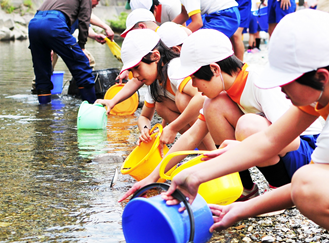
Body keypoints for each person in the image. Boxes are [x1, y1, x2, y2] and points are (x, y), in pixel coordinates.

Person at [161, 9, 329, 231]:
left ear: (321, 77)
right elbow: (270, 139)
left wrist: (245, 208)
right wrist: (194, 176)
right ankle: (248, 190)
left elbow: (304, 184)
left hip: (304, 157)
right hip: (303, 159)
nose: (280, 88)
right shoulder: (313, 99)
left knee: (308, 185)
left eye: (285, 81)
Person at [118, 28, 322, 202]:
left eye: (195, 78)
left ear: (215, 70)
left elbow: (293, 141)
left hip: (307, 155)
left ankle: (279, 187)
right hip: (280, 151)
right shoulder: (220, 96)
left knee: (247, 125)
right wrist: (154, 177)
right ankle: (246, 190)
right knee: (213, 106)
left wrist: (242, 148)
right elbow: (190, 137)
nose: (195, 86)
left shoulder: (258, 82)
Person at [28, 0, 98, 104]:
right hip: (54, 24)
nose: (97, 4)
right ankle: (92, 105)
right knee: (82, 64)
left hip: (34, 24)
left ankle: (43, 111)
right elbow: (84, 19)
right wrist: (82, 47)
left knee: (42, 73)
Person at [172, 0, 240, 38]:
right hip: (225, 13)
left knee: (198, 42)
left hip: (225, 15)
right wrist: (164, 29)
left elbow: (198, 22)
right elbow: (184, 14)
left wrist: (177, 37)